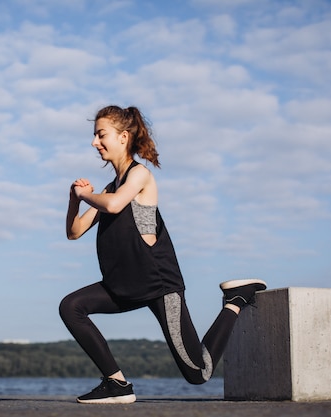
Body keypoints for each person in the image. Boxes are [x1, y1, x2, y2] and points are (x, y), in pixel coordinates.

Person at [59, 105, 267, 404]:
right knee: (71, 307)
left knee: (198, 372)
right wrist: (72, 200)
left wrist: (84, 194)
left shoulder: (138, 175)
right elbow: (74, 231)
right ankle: (117, 384)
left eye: (100, 135)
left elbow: (116, 205)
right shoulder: (108, 188)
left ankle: (236, 300)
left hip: (158, 285)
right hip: (122, 284)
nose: (95, 143)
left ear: (123, 137)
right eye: (94, 136)